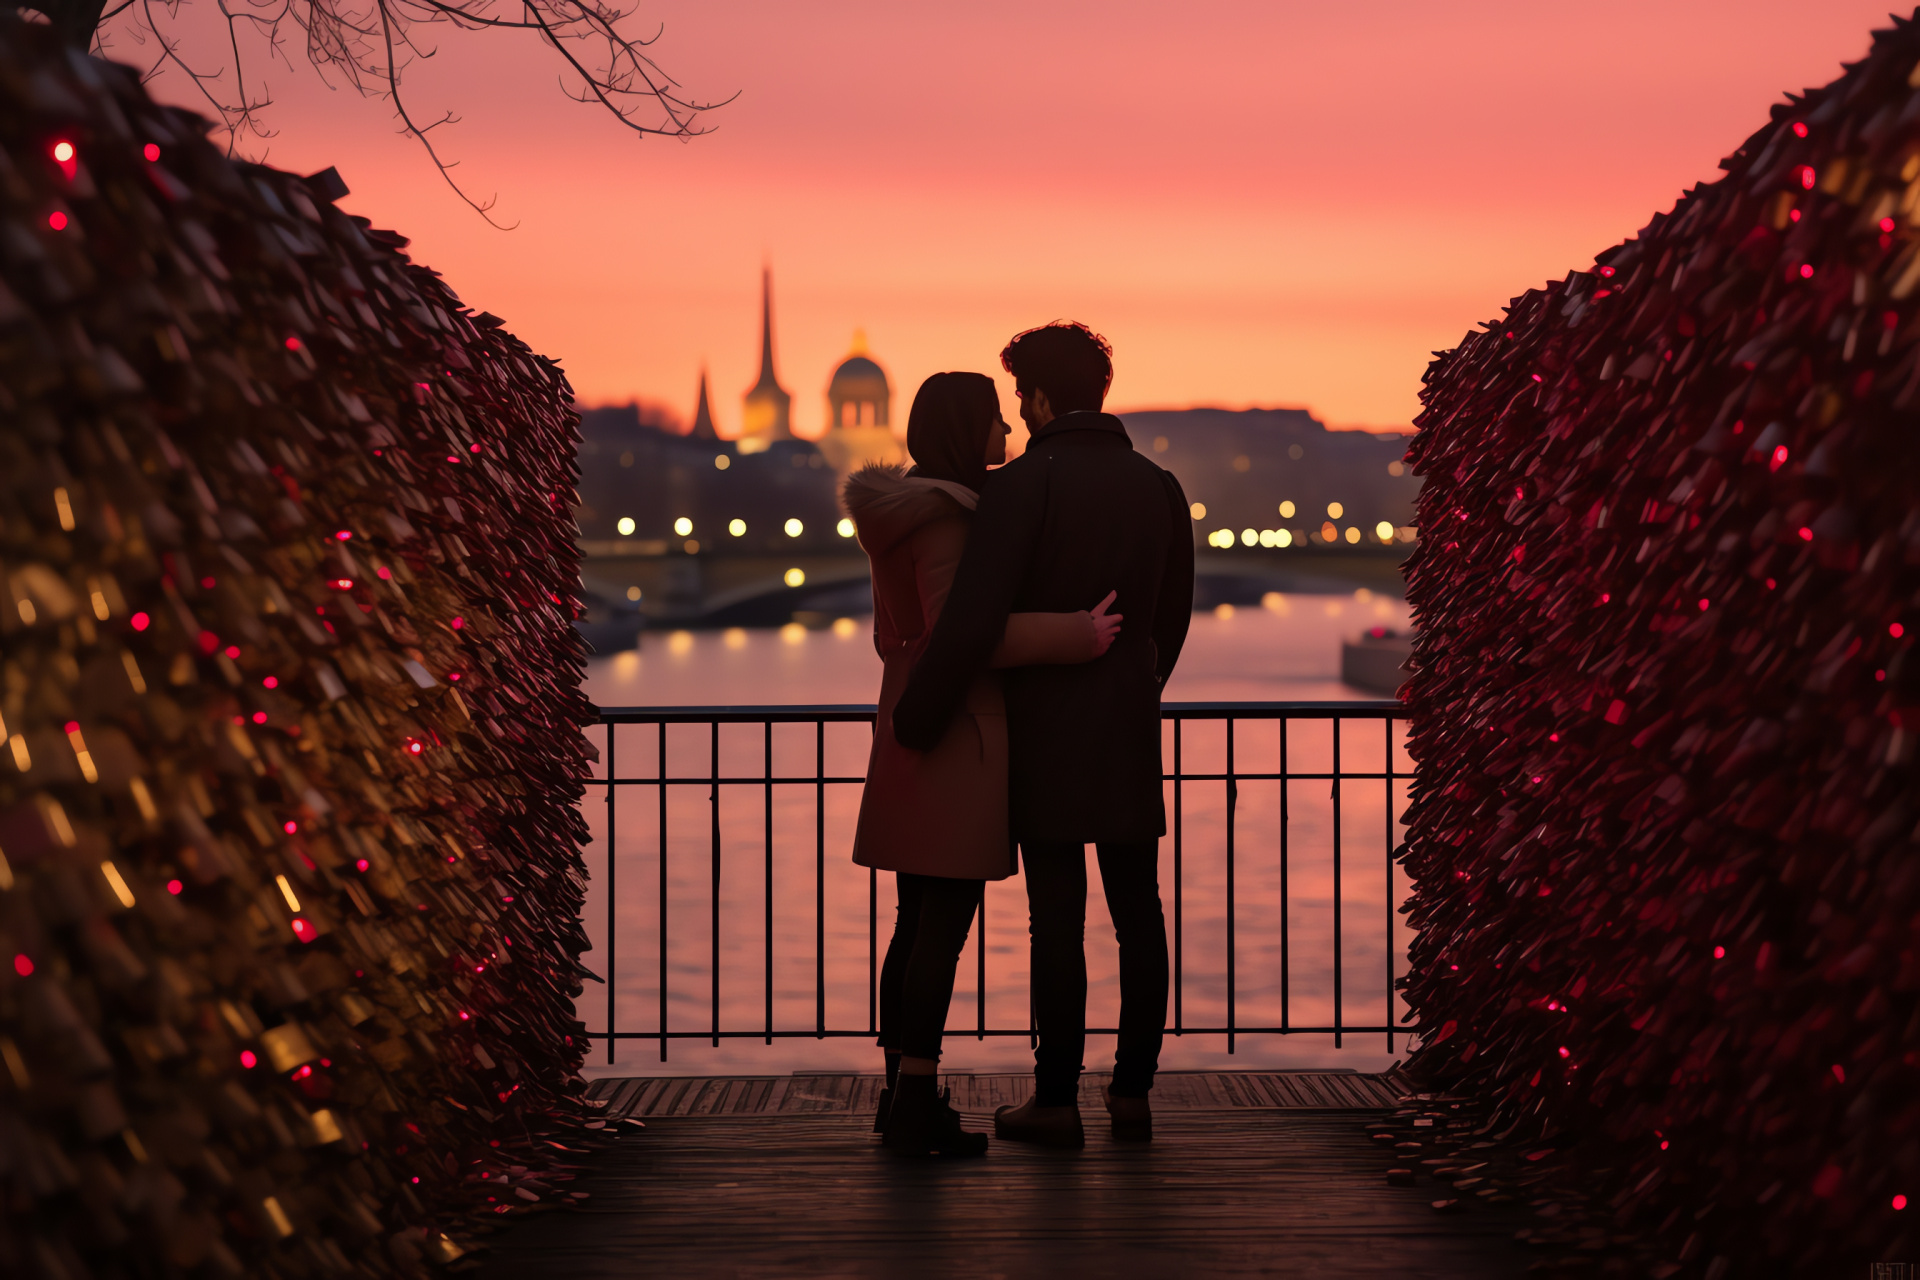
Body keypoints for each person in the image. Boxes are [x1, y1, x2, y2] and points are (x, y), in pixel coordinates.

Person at [893, 322, 1194, 1148]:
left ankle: (1055, 1099)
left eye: (1021, 393)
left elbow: (973, 621)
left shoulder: (1022, 488)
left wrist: (919, 718)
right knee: (1140, 914)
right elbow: (1172, 618)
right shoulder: (1158, 485)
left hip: (1044, 731)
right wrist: (1136, 683)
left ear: (1039, 397)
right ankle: (1132, 1093)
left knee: (1056, 919)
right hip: (1128, 726)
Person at [842, 370, 1122, 1157]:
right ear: (968, 432)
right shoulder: (950, 523)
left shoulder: (893, 518)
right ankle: (916, 1105)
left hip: (905, 727)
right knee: (943, 930)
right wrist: (1074, 634)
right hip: (956, 738)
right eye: (995, 423)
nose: (1007, 437)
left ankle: (899, 1088)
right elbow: (960, 638)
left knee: (910, 926)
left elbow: (905, 639)